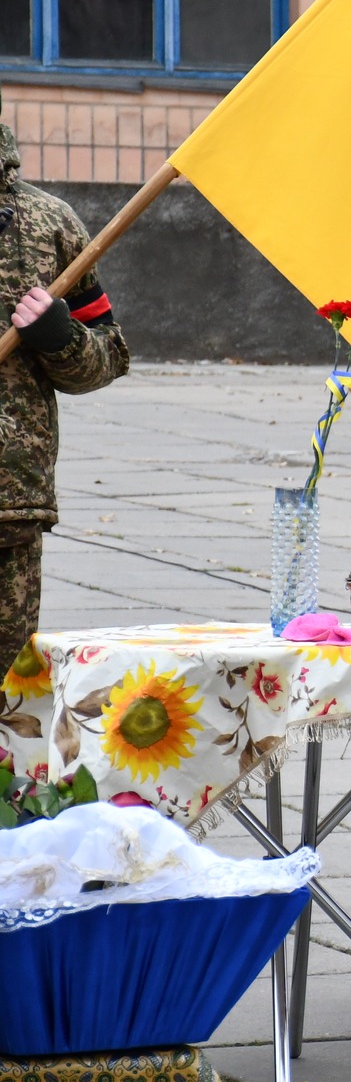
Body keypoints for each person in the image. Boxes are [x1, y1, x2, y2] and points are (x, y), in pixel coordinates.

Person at [0, 104, 129, 675]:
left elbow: (108, 356)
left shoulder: (47, 224)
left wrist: (60, 336)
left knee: (8, 707)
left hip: (6, 508)